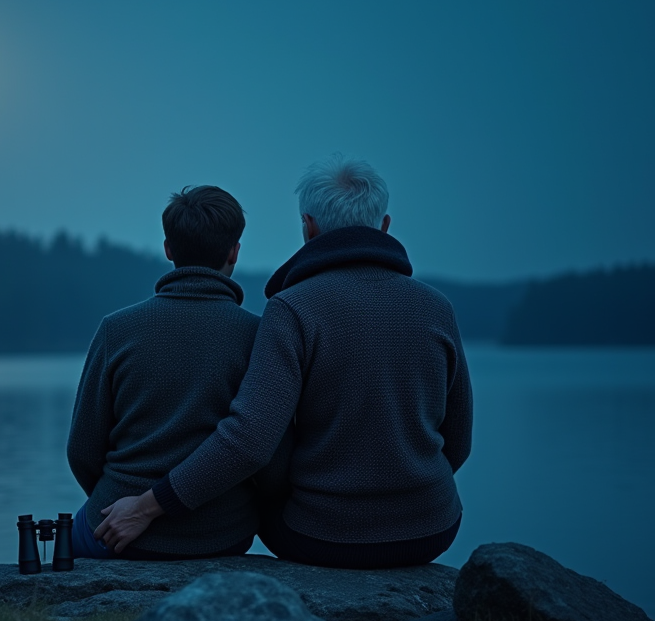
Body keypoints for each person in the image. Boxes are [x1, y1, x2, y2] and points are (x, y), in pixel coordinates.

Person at [94, 156, 473, 569]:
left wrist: (150, 506)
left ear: (307, 226)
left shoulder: (293, 309)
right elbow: (458, 440)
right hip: (432, 528)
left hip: (322, 536)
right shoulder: (438, 308)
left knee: (257, 507)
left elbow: (250, 442)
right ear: (384, 225)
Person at [66, 185, 265, 560]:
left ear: (168, 249)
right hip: (220, 535)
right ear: (234, 252)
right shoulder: (257, 335)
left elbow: (82, 450)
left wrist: (119, 500)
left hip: (114, 526)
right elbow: (267, 452)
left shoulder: (117, 329)